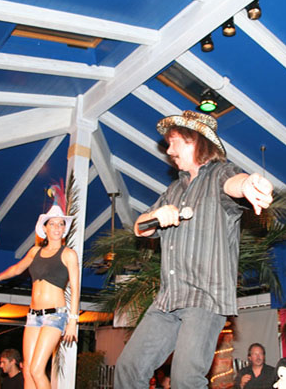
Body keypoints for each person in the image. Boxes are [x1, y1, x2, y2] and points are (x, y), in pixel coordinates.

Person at [114, 110, 274, 388]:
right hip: (167, 300)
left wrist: (249, 184)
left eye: (174, 142)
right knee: (128, 368)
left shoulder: (220, 173)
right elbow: (140, 228)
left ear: (194, 141)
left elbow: (235, 183)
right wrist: (156, 215)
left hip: (204, 298)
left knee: (185, 379)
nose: (169, 150)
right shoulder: (173, 190)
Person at [0, 203, 80, 389]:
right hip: (33, 316)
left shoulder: (68, 254)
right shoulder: (35, 251)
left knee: (37, 370)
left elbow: (76, 289)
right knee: (28, 371)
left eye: (61, 224)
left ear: (64, 229)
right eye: (52, 224)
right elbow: (17, 268)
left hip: (55, 316)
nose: (57, 227)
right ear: (44, 228)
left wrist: (72, 321)